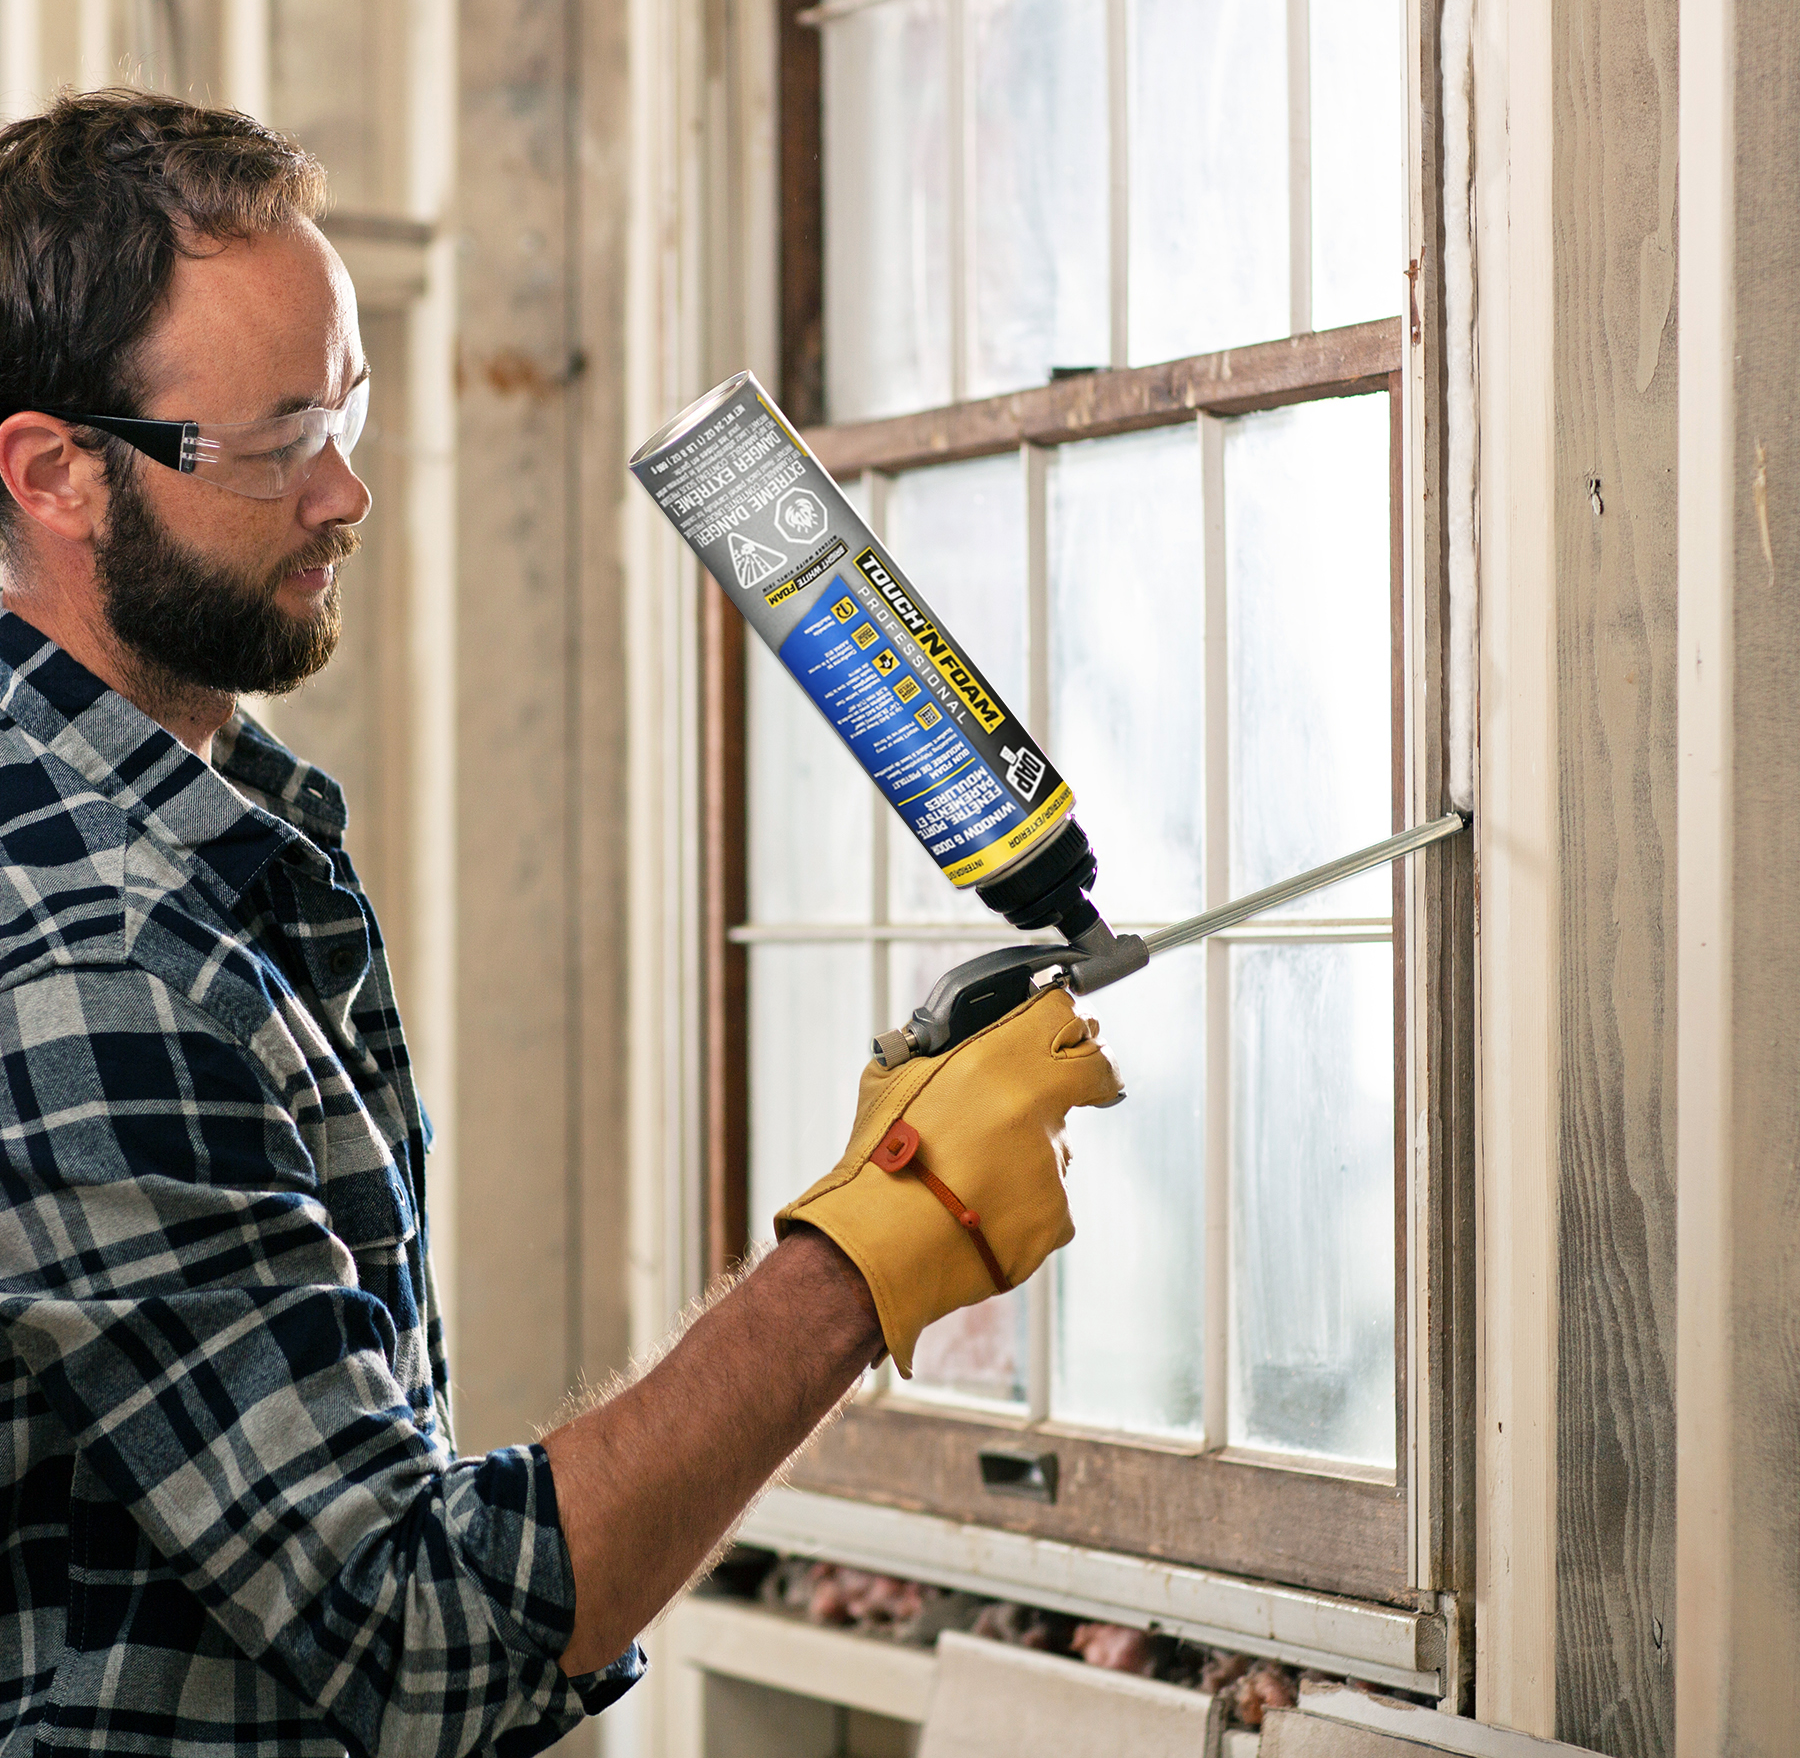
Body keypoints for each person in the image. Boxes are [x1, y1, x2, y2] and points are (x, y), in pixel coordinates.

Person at [0, 91, 1121, 1756]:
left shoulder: (224, 835)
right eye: (281, 438)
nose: (348, 494)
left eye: (351, 408)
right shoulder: (94, 955)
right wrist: (872, 1249)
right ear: (55, 473)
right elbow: (415, 1640)